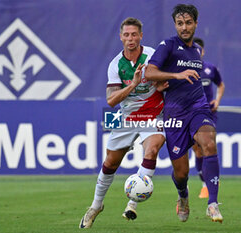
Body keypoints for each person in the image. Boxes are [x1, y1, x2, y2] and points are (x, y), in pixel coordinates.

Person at [79, 17, 166, 229]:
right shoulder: (115, 65)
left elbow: (165, 80)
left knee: (152, 150)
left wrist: (164, 84)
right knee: (110, 163)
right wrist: (134, 84)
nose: (130, 39)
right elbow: (111, 100)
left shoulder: (153, 56)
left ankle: (132, 203)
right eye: (126, 35)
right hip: (126, 117)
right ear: (121, 37)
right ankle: (96, 205)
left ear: (141, 36)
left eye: (134, 34)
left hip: (153, 115)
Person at [145, 4, 223, 223]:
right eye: (180, 23)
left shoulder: (196, 51)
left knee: (208, 142)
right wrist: (176, 76)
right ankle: (183, 195)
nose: (184, 27)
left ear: (196, 24)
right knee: (181, 173)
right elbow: (149, 72)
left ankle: (213, 203)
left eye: (188, 22)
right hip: (174, 115)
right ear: (175, 25)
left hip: (198, 108)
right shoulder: (168, 45)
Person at [192, 37, 225, 199]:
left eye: (199, 49)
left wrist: (217, 100)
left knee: (208, 145)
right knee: (197, 149)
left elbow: (221, 84)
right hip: (191, 114)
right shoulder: (186, 70)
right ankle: (205, 183)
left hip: (209, 113)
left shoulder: (210, 69)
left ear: (203, 51)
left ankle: (208, 184)